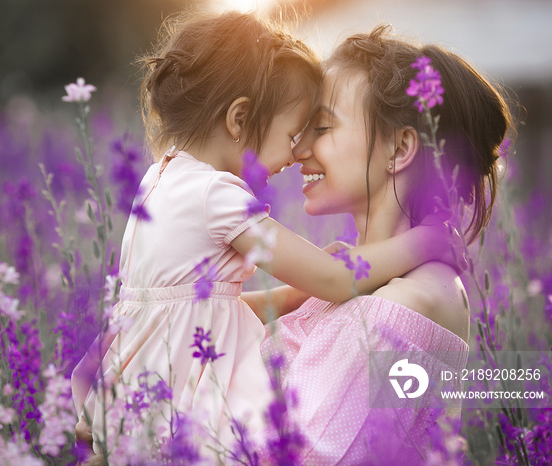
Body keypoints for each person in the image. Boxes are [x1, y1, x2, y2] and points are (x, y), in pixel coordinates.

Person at [71, 13, 455, 462]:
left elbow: (196, 308)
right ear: (240, 119)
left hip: (139, 394)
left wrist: (291, 296)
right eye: (293, 134)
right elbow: (333, 278)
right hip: (187, 404)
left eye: (319, 129)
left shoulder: (161, 178)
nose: (297, 153)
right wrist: (427, 243)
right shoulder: (216, 196)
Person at [254, 25, 513, 464]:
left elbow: (303, 457)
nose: (299, 150)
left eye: (321, 127)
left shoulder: (400, 309)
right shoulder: (363, 280)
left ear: (399, 148)